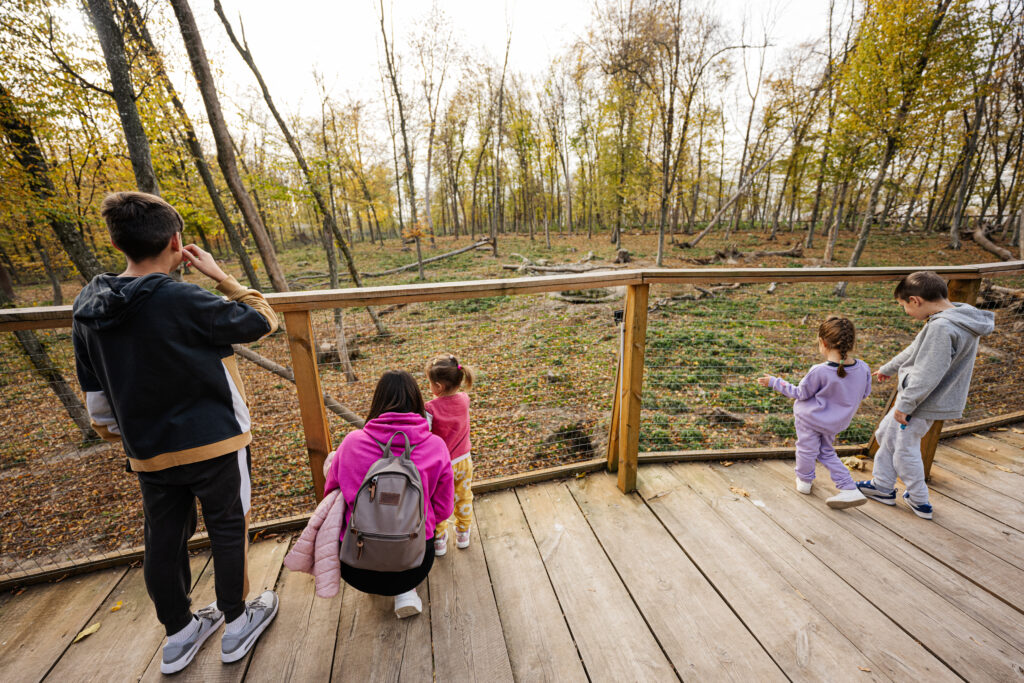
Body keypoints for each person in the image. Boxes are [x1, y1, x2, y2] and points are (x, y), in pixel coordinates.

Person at [72, 192, 280, 674]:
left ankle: (180, 632)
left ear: (116, 242)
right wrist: (221, 277)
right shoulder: (183, 296)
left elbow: (95, 395)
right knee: (229, 527)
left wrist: (126, 437)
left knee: (162, 537)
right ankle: (236, 621)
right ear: (176, 242)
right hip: (217, 442)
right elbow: (260, 320)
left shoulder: (89, 305)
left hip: (147, 451)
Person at [856, 271, 994, 519]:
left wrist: (905, 405)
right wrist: (889, 368)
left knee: (904, 448)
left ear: (915, 300)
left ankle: (919, 499)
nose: (905, 312)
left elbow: (927, 373)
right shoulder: (954, 316)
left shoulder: (942, 327)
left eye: (904, 306)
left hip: (921, 401)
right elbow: (915, 348)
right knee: (885, 433)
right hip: (920, 399)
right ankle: (882, 486)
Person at [324, 370, 454, 617]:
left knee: (332, 464)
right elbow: (444, 510)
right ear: (417, 402)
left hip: (356, 566)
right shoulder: (435, 446)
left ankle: (379, 560)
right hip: (414, 564)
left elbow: (331, 496)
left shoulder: (351, 443)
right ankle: (406, 590)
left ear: (378, 402)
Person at [758, 316, 872, 509]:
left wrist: (774, 382)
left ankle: (804, 481)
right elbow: (865, 393)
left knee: (807, 449)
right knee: (826, 452)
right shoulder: (863, 368)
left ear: (823, 342)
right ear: (852, 343)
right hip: (835, 423)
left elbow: (799, 393)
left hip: (810, 421)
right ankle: (849, 487)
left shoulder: (819, 371)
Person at [424, 354, 474, 555]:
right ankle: (463, 533)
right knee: (464, 496)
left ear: (438, 386)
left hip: (441, 466)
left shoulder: (430, 408)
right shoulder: (464, 399)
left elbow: (425, 436)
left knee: (439, 501)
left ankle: (439, 540)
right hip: (464, 462)